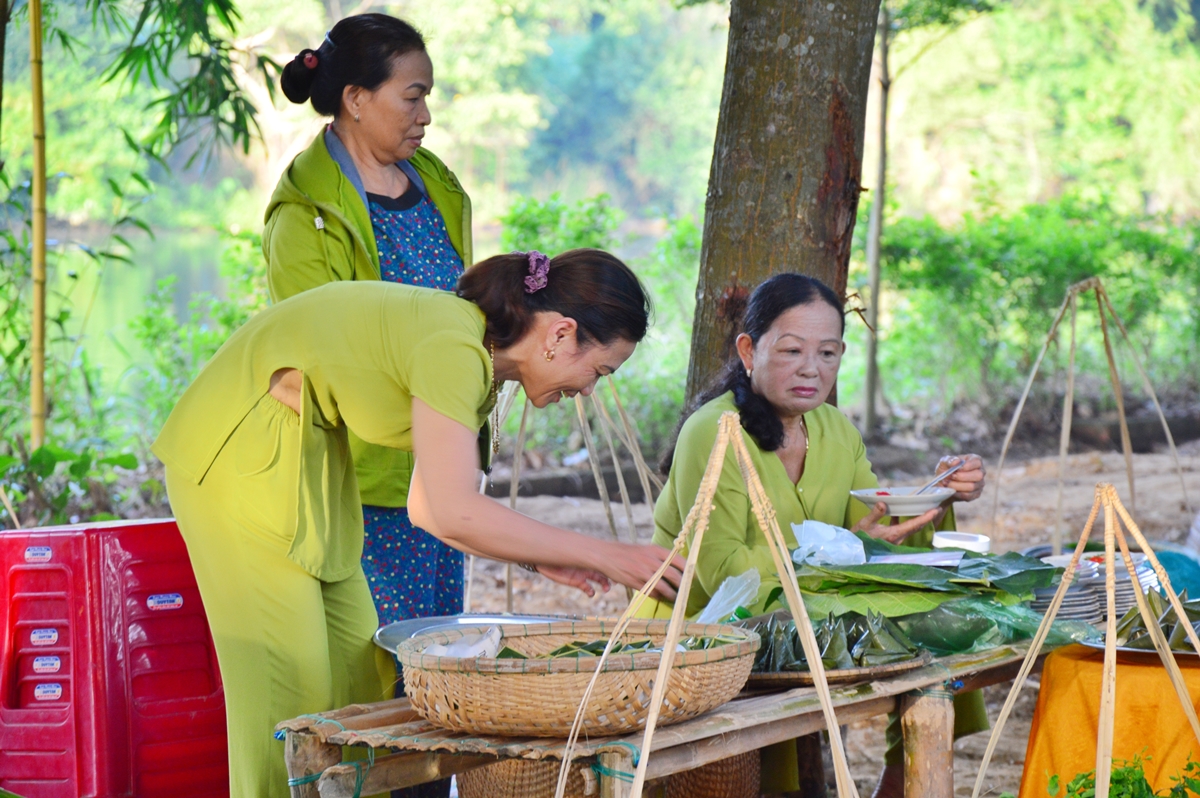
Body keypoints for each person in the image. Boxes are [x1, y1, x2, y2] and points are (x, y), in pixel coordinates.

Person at [153, 250, 685, 798]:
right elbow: (455, 510)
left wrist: (542, 556)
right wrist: (605, 554)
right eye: (598, 371)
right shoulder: (454, 345)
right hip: (240, 451)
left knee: (360, 688)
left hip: (313, 458)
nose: (590, 390)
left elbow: (429, 509)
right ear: (560, 333)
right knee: (289, 696)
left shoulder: (482, 363)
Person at [644, 273, 987, 798]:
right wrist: (833, 551)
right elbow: (722, 572)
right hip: (707, 628)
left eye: (828, 353)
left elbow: (878, 530)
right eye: (791, 350)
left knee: (938, 615)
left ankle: (902, 778)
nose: (811, 368)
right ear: (748, 350)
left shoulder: (834, 430)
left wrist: (942, 491)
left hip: (808, 606)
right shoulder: (714, 432)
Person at [269, 14, 473, 667]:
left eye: (427, 97)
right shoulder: (306, 216)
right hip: (368, 484)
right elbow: (311, 364)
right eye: (412, 96)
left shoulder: (434, 183)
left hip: (444, 468)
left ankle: (425, 777)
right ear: (356, 98)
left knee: (441, 665)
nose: (426, 114)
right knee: (379, 667)